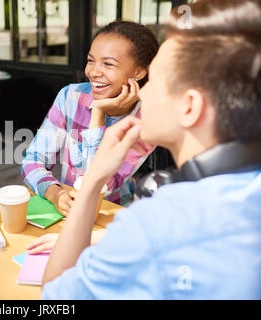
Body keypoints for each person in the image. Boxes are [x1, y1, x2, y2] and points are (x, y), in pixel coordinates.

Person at [40, 0, 261, 299]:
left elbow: (55, 298)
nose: (143, 92)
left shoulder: (156, 224)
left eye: (154, 81)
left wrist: (93, 181)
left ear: (190, 106)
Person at [21, 21, 159, 214]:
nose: (93, 72)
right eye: (91, 60)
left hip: (111, 217)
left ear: (138, 72)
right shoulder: (70, 97)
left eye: (108, 64)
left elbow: (96, 187)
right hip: (65, 209)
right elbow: (33, 161)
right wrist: (54, 193)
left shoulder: (146, 122)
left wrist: (98, 114)